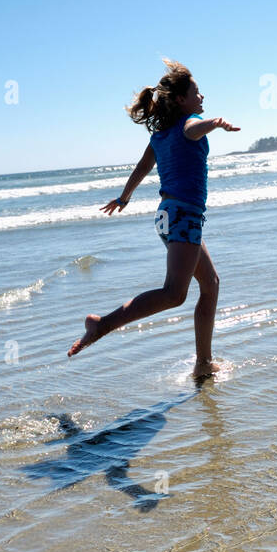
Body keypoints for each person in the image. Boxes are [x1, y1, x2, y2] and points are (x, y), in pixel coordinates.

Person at [67, 59, 239, 375]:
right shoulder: (190, 123)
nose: (202, 97)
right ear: (180, 100)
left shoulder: (159, 136)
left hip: (166, 216)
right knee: (174, 294)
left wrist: (124, 197)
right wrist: (213, 123)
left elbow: (143, 168)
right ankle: (101, 324)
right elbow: (194, 128)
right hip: (184, 216)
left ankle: (203, 364)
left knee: (210, 284)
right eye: (197, 92)